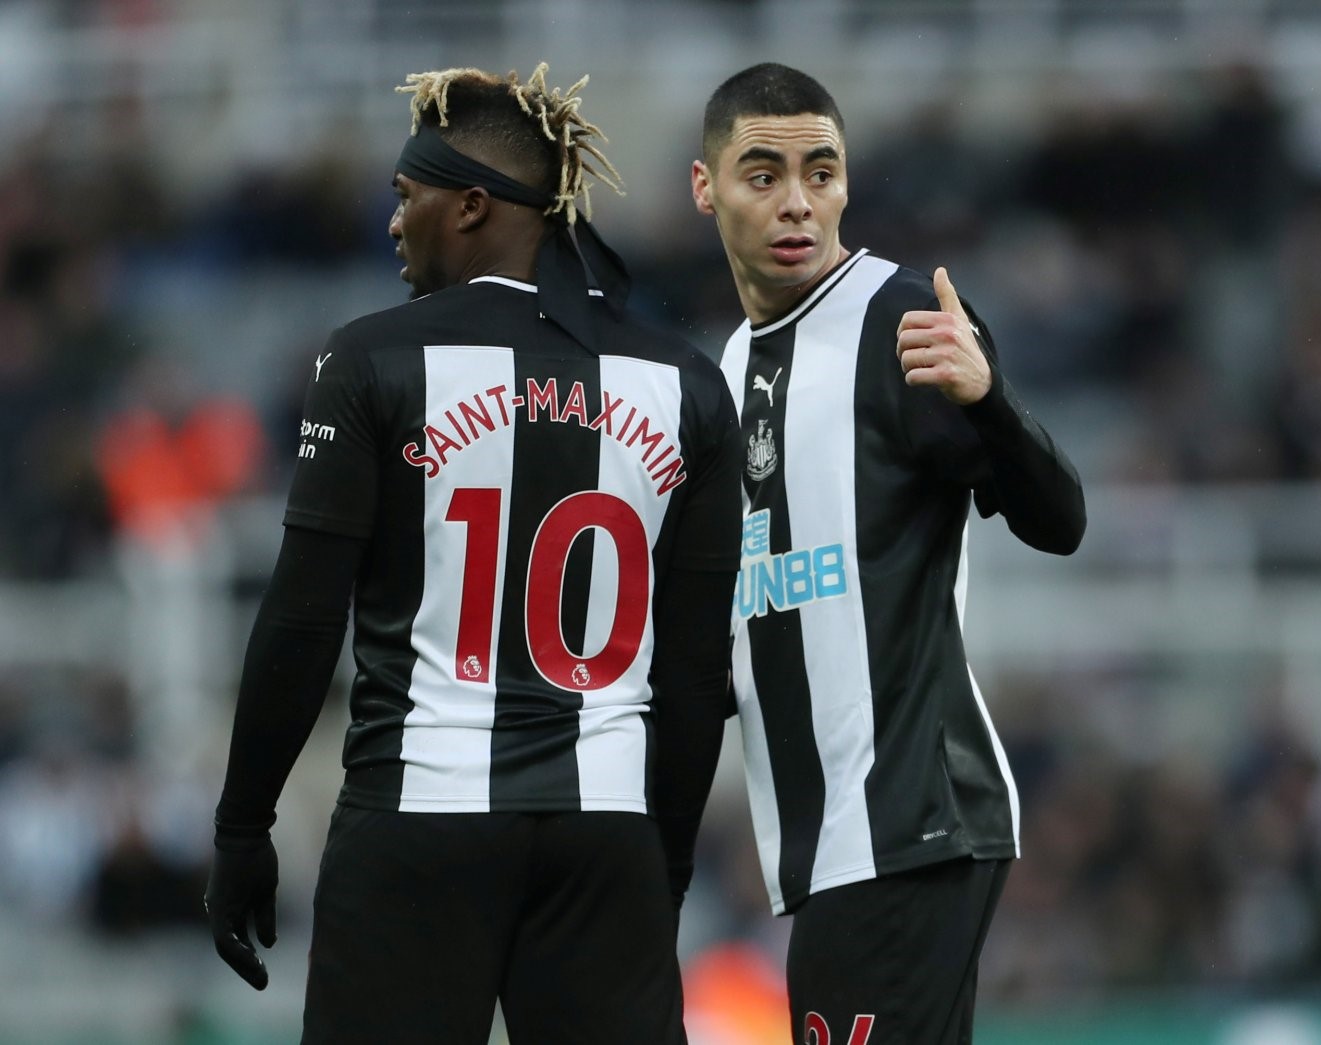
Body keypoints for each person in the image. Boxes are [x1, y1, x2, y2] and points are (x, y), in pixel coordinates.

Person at [203, 64, 741, 1044]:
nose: (393, 223)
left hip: (417, 816)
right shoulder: (688, 383)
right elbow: (698, 668)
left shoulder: (369, 359)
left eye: (407, 195)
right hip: (603, 825)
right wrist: (659, 862)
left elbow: (303, 617)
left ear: (472, 205)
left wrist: (243, 824)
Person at [690, 63, 1086, 1044]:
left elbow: (1058, 519)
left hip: (910, 820)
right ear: (706, 188)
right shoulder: (731, 367)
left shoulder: (899, 317)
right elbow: (758, 612)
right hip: (828, 846)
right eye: (763, 174)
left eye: (820, 173)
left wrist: (989, 403)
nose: (796, 201)